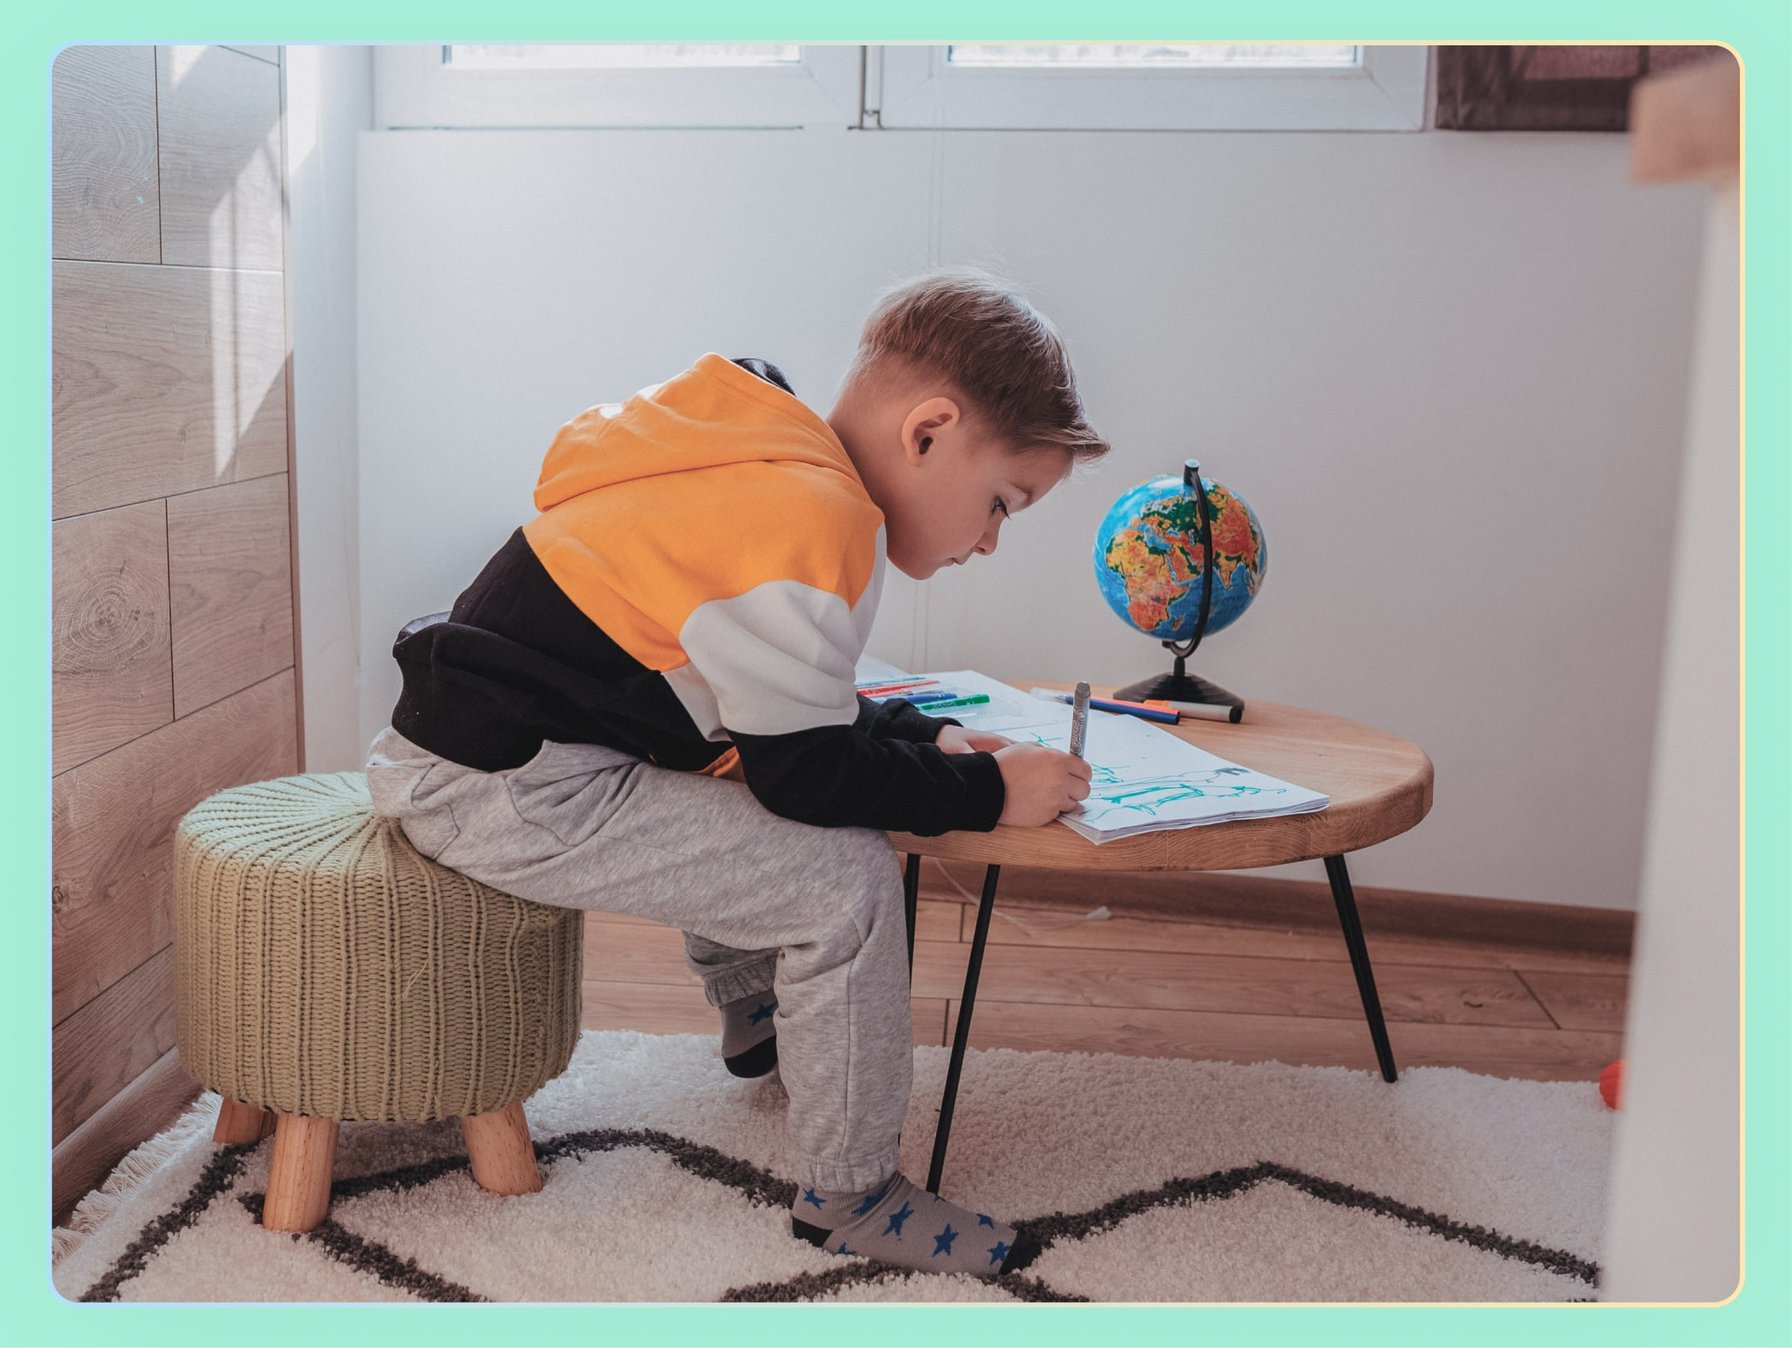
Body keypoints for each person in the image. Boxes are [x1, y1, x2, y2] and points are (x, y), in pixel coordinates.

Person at [364, 267, 1107, 1279]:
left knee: (744, 773)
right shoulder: (811, 527)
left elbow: (768, 700)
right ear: (927, 434)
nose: (986, 540)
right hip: (501, 789)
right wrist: (986, 793)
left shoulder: (763, 458)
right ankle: (850, 1195)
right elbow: (802, 775)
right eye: (1000, 504)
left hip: (496, 748)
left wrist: (918, 739)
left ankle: (759, 1010)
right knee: (841, 880)